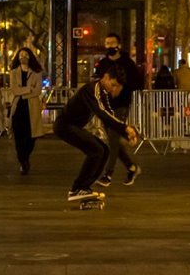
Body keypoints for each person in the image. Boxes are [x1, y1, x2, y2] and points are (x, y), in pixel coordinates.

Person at [55, 66, 140, 202]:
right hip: (64, 125)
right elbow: (102, 113)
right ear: (106, 77)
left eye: (116, 87)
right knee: (96, 150)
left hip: (72, 126)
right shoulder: (92, 89)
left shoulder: (102, 93)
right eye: (113, 85)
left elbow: (109, 115)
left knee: (104, 150)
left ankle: (84, 187)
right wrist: (125, 129)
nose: (113, 89)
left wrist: (125, 133)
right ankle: (78, 188)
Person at [94, 33, 144, 187]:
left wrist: (122, 89)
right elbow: (97, 81)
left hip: (121, 105)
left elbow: (137, 82)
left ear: (119, 45)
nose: (110, 46)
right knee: (113, 140)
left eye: (112, 43)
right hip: (105, 106)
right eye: (107, 43)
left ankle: (108, 174)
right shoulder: (102, 64)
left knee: (114, 138)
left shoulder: (127, 63)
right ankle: (132, 167)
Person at [8, 47, 46, 174]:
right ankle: (23, 161)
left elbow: (38, 90)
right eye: (20, 54)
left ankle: (25, 157)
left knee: (31, 137)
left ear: (30, 56)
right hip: (18, 107)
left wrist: (23, 91)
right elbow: (14, 90)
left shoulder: (36, 72)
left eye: (25, 54)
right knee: (19, 136)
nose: (23, 56)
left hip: (32, 108)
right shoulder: (13, 72)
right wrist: (29, 89)